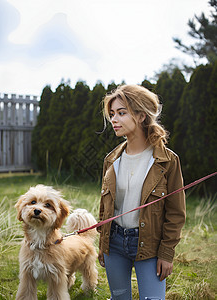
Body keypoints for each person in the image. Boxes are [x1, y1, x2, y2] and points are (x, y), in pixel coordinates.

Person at [98, 84, 186, 300]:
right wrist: (103, 243)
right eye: (112, 114)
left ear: (140, 116)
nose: (114, 120)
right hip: (115, 244)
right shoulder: (111, 160)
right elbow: (104, 206)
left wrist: (166, 253)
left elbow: (176, 213)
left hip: (150, 246)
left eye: (121, 113)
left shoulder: (167, 161)